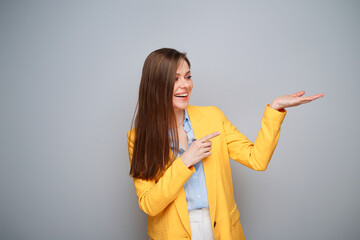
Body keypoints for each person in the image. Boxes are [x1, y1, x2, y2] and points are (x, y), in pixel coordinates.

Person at [127, 48, 324, 239]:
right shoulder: (138, 137)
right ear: (155, 84)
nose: (184, 85)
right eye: (174, 79)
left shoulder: (213, 116)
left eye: (187, 76)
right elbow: (149, 204)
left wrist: (275, 109)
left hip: (222, 230)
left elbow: (257, 159)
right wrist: (185, 160)